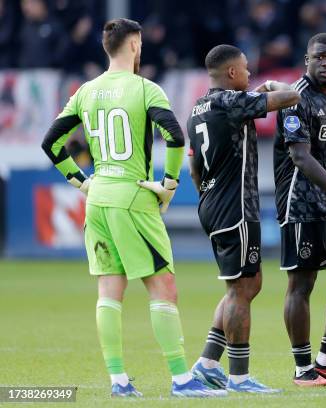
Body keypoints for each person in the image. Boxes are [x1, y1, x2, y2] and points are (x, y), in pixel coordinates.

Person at [40, 18, 222, 398]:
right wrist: (169, 184)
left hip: (98, 198)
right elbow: (174, 134)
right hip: (133, 197)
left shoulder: (86, 92)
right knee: (163, 287)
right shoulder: (145, 89)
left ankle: (119, 381)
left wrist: (81, 181)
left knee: (109, 291)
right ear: (136, 45)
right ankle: (181, 379)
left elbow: (51, 144)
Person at [187, 44, 300, 393]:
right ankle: (238, 378)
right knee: (240, 289)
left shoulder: (197, 108)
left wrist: (208, 192)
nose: (251, 75)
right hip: (235, 206)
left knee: (247, 284)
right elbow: (292, 97)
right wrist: (268, 88)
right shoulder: (231, 102)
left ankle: (207, 363)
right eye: (247, 70)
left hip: (213, 203)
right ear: (233, 73)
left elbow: (193, 165)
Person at [273, 32, 326, 387]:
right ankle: (302, 369)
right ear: (307, 59)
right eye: (320, 57)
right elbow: (301, 156)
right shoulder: (295, 99)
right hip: (301, 205)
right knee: (301, 285)